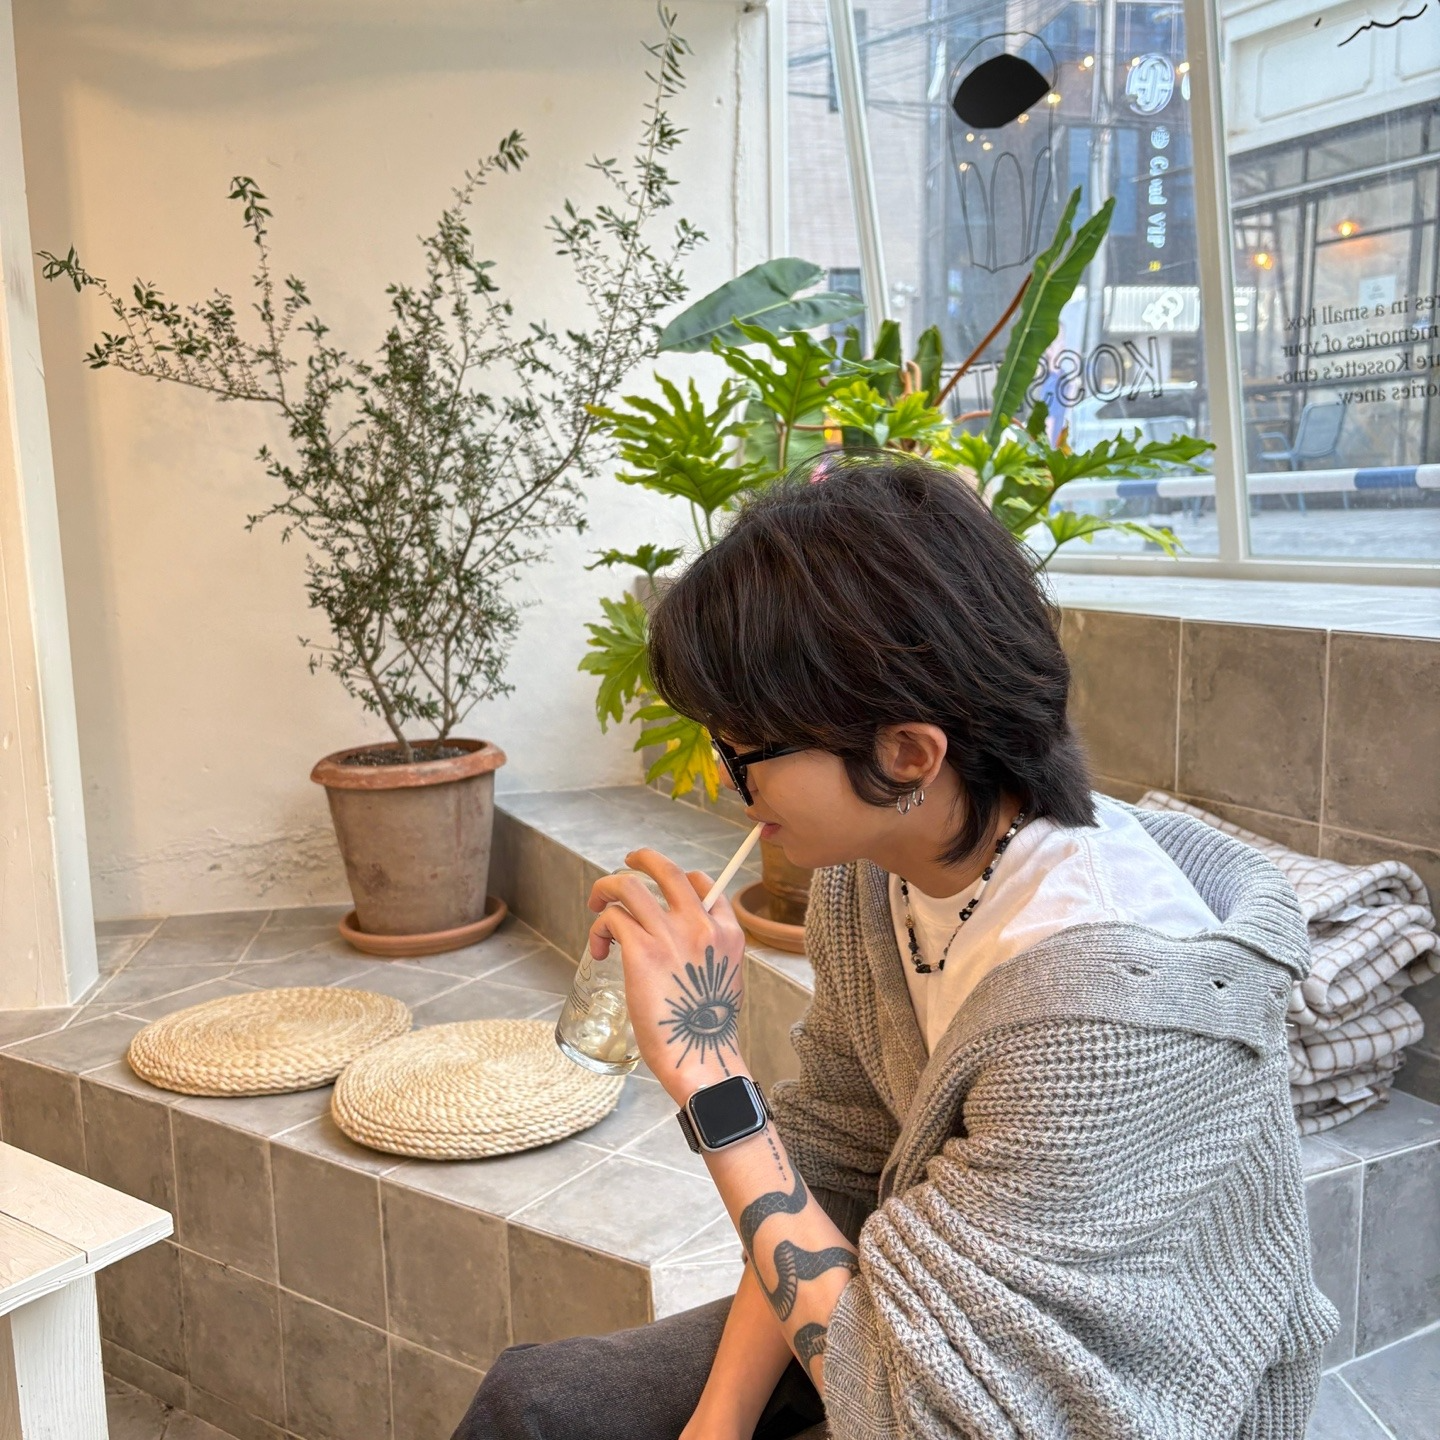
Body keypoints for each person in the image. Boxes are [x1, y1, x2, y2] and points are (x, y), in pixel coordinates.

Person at [453, 453, 1336, 1440]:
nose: (728, 780)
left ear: (908, 755)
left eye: (745, 751)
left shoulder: (1111, 1013)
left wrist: (709, 1075)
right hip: (922, 1310)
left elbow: (926, 1416)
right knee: (532, 1407)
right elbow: (836, 1162)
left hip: (1083, 1401)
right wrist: (717, 1422)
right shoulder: (872, 880)